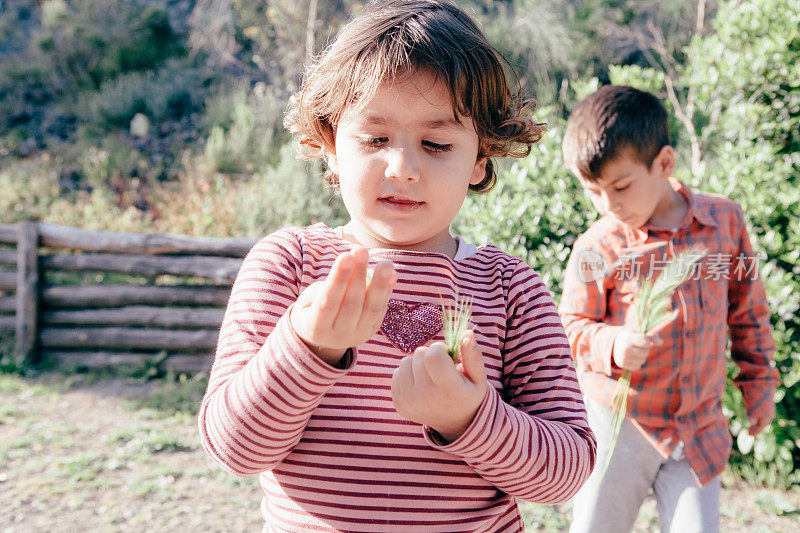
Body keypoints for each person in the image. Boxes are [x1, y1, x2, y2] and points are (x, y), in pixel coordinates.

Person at [198, 1, 596, 531]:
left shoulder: (511, 289)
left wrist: (470, 419)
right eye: (375, 139)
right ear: (330, 144)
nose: (403, 167)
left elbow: (566, 474)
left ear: (481, 157)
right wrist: (305, 348)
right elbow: (234, 450)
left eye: (436, 143)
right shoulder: (289, 266)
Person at [559, 84, 780, 533]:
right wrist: (613, 342)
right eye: (593, 192)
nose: (609, 205)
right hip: (619, 429)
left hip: (698, 427)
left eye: (620, 186)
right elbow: (569, 326)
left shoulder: (725, 222)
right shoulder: (598, 245)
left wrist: (758, 384)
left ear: (663, 163)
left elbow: (748, 312)